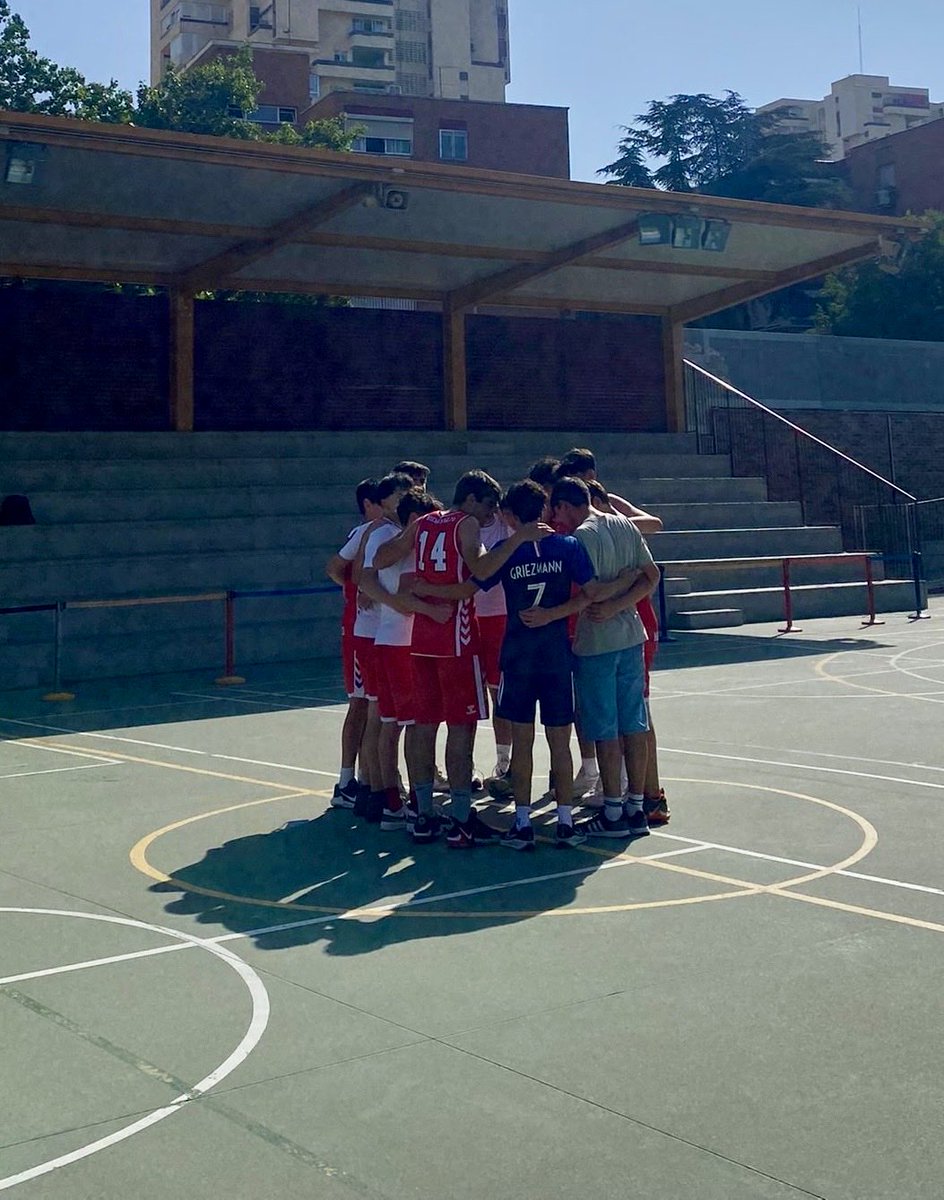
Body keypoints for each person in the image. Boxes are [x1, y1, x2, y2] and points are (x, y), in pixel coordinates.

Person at [377, 469, 551, 847]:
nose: (491, 516)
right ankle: (460, 818)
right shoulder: (466, 525)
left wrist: (424, 593)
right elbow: (483, 568)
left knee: (423, 725)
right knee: (461, 727)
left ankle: (422, 813)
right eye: (488, 506)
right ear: (470, 499)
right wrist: (519, 537)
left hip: (422, 636)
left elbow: (384, 559)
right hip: (455, 637)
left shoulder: (422, 522)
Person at [473, 480, 618, 850]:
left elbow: (478, 576)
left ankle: (522, 824)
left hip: (519, 658)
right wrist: (556, 613)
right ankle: (565, 821)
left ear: (508, 515)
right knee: (560, 742)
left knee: (522, 743)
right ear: (543, 510)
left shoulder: (506, 551)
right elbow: (591, 592)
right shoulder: (567, 546)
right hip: (556, 658)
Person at [550, 476, 660, 840]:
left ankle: (612, 809)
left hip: (597, 641)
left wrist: (609, 604)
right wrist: (624, 600)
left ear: (566, 506)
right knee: (635, 722)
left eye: (557, 508)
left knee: (605, 727)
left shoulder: (578, 539)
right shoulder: (624, 525)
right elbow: (650, 575)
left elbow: (590, 595)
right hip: (631, 635)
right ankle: (636, 804)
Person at [357, 488, 447, 830]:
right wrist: (428, 609)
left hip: (385, 638)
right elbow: (406, 594)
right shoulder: (405, 546)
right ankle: (407, 802)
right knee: (410, 725)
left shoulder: (386, 540)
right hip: (401, 644)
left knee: (388, 721)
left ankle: (386, 797)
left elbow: (366, 578)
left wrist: (391, 601)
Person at [349, 471, 414, 822]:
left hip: (380, 633)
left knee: (381, 715)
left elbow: (362, 577)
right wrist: (395, 601)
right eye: (404, 492)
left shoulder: (381, 531)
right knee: (387, 719)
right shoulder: (387, 533)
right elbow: (365, 578)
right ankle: (381, 790)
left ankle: (376, 789)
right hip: (384, 635)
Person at [324, 478, 381, 809]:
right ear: (369, 506)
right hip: (358, 629)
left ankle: (367, 778)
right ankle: (346, 781)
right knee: (361, 703)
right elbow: (334, 567)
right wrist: (356, 589)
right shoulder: (363, 533)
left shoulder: (387, 532)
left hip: (376, 631)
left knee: (377, 707)